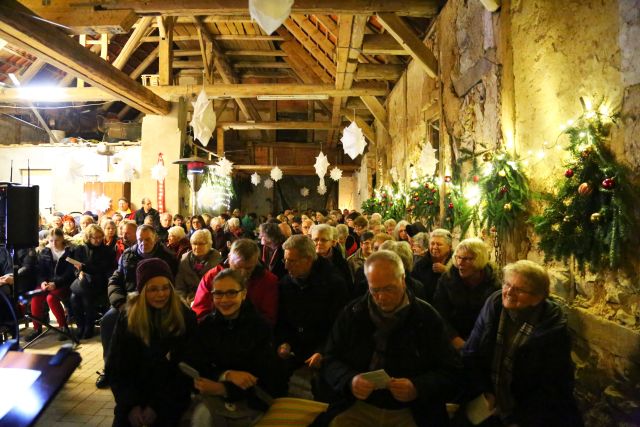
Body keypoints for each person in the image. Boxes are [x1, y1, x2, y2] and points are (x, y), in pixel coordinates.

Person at [322, 250, 462, 426]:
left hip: (412, 409)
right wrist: (350, 380)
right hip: (359, 405)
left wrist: (417, 387)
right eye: (375, 290)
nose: (382, 297)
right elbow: (330, 359)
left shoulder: (426, 317)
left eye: (389, 288)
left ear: (403, 280)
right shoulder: (353, 313)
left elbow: (451, 370)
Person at [461, 260, 583, 427]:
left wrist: (523, 420)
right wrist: (485, 391)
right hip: (491, 404)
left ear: (537, 297)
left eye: (518, 289)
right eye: (507, 284)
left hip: (532, 414)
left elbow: (553, 387)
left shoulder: (552, 328)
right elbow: (471, 352)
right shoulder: (494, 306)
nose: (509, 292)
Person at [186, 269, 287, 426]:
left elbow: (266, 379)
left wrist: (224, 389)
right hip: (215, 394)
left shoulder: (259, 327)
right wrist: (227, 375)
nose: (224, 299)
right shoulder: (207, 326)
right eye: (218, 293)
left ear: (244, 294)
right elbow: (198, 364)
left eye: (232, 293)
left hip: (250, 399)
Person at [106, 258, 196, 427]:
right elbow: (115, 365)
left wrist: (155, 407)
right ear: (142, 291)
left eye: (165, 288)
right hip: (133, 397)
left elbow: (185, 370)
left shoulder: (184, 317)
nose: (161, 294)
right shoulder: (128, 316)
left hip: (169, 397)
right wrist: (132, 406)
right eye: (153, 289)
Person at [97, 225, 178, 389]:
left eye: (147, 239)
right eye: (140, 239)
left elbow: (172, 284)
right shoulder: (128, 254)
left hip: (158, 301)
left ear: (155, 238)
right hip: (129, 301)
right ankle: (110, 368)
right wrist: (119, 302)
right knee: (108, 321)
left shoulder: (167, 257)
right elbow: (115, 280)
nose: (143, 243)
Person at [276, 235, 349, 375]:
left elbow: (339, 324)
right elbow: (282, 318)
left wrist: (322, 351)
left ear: (308, 259)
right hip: (295, 349)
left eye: (292, 261)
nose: (286, 266)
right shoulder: (286, 283)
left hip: (325, 350)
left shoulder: (334, 283)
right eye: (285, 260)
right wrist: (284, 341)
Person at [433, 238, 500, 350]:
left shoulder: (493, 283)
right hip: (452, 340)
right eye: (458, 257)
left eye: (467, 259)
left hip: (482, 343)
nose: (460, 263)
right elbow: (439, 313)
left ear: (480, 259)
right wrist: (454, 338)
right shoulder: (447, 279)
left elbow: (493, 321)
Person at [192, 239, 279, 326]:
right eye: (237, 268)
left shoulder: (268, 280)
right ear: (229, 258)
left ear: (256, 261)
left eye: (248, 268)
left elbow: (268, 319)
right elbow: (200, 312)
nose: (242, 274)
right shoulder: (212, 276)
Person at [26, 229, 75, 342]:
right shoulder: (45, 252)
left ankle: (63, 327)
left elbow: (70, 273)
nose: (54, 243)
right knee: (36, 296)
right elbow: (40, 271)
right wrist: (42, 282)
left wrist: (56, 283)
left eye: (57, 240)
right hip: (48, 283)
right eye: (51, 241)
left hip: (63, 283)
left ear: (62, 239)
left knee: (51, 298)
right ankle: (37, 328)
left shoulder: (70, 251)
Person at [71, 224, 116, 339]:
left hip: (99, 281)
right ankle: (80, 325)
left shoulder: (106, 250)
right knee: (73, 298)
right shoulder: (80, 249)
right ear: (88, 237)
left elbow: (105, 268)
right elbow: (75, 267)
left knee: (86, 297)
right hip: (83, 281)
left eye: (100, 237)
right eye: (95, 238)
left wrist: (85, 269)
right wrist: (79, 272)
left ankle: (89, 326)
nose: (98, 240)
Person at [175, 229, 221, 305]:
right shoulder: (184, 261)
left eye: (201, 244)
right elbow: (179, 287)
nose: (196, 247)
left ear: (209, 244)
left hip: (210, 301)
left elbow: (219, 288)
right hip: (188, 301)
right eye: (194, 243)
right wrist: (184, 303)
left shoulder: (217, 260)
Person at [412, 229, 453, 304]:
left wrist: (447, 271)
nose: (434, 247)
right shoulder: (420, 265)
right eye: (432, 243)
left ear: (449, 247)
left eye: (439, 244)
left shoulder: (457, 263)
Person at [311, 224, 353, 296]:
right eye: (315, 239)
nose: (319, 243)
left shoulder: (341, 262)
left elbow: (348, 287)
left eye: (323, 240)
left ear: (332, 242)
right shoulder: (306, 260)